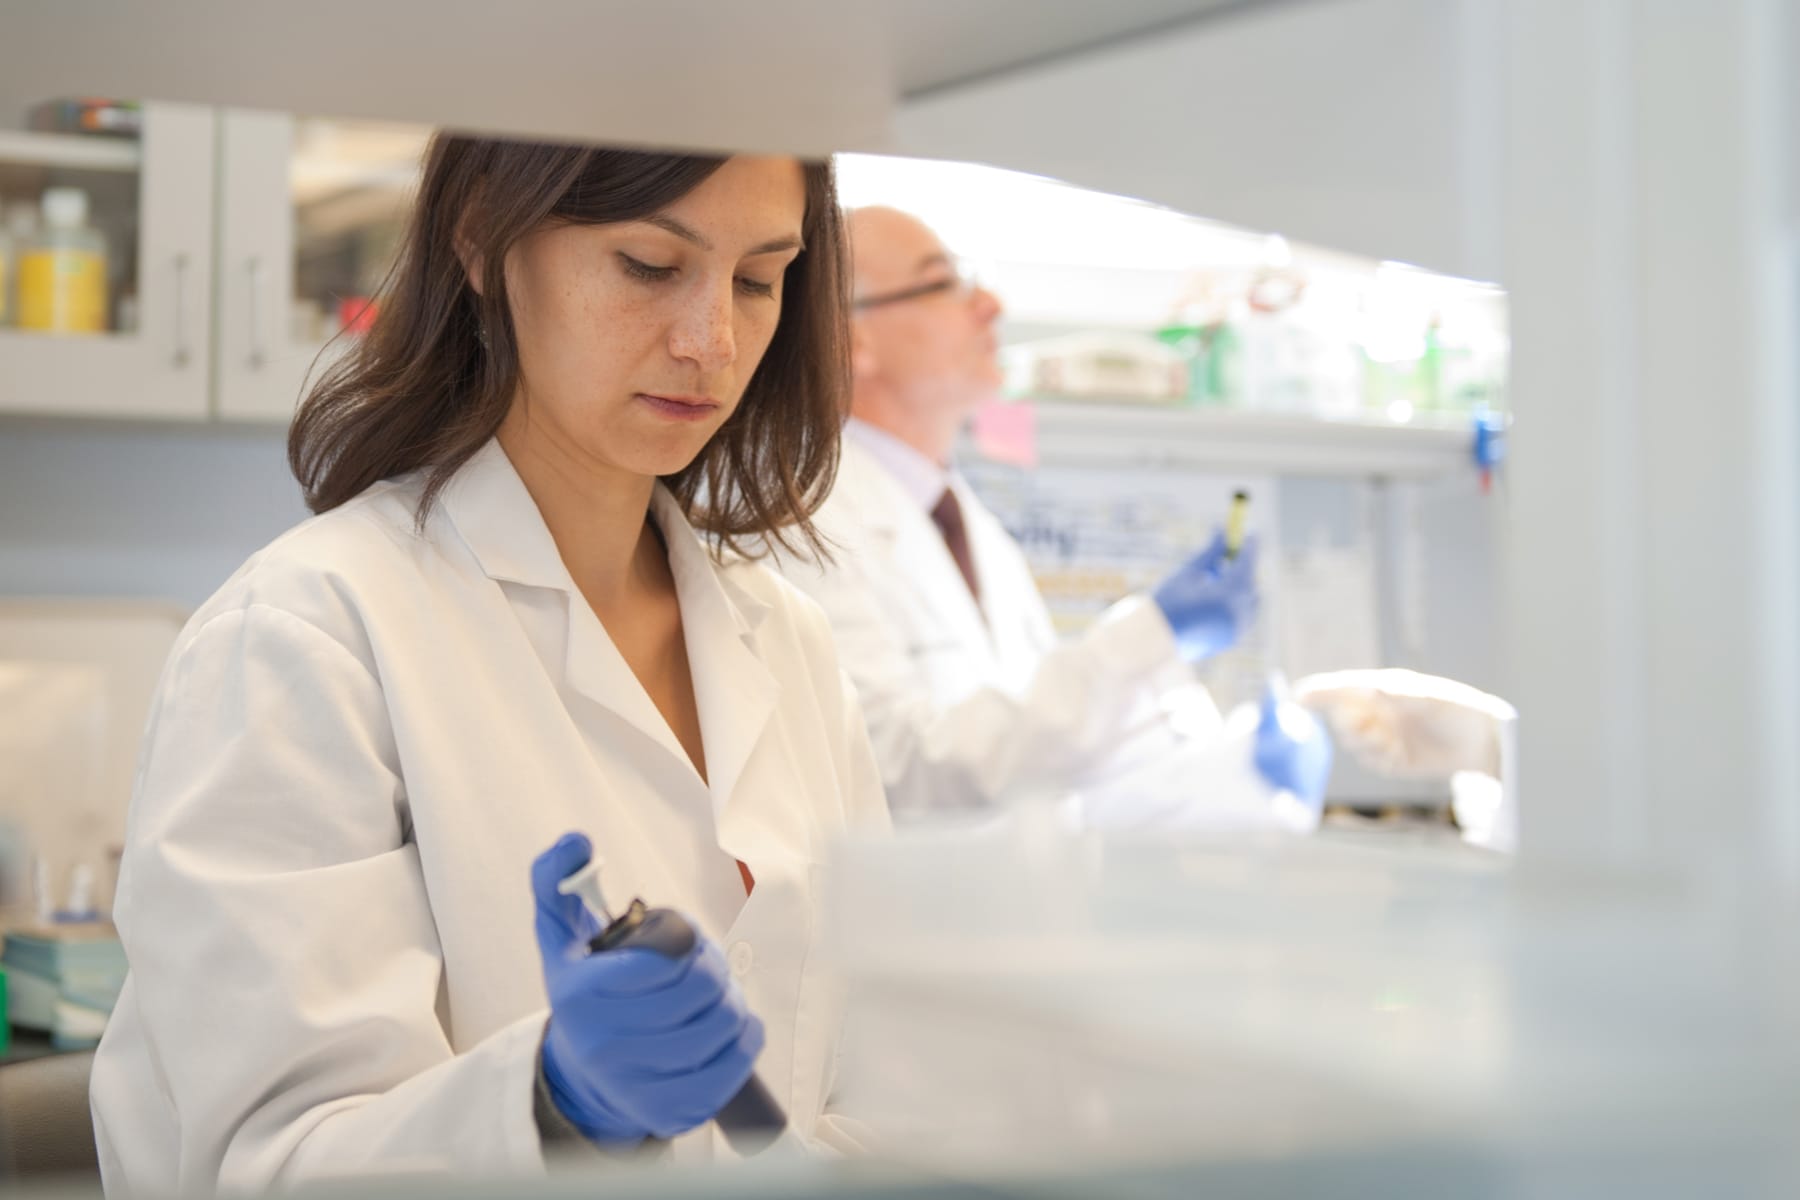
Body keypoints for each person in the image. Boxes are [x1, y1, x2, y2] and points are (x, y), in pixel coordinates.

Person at [88, 136, 889, 1193]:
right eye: (649, 265)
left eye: (757, 280)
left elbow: (884, 1077)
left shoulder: (786, 644)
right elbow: (269, 1165)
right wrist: (559, 1105)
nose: (712, 341)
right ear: (482, 240)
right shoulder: (307, 636)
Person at [769, 206, 1330, 824]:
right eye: (944, 284)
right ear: (850, 339)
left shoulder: (972, 527)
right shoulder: (793, 518)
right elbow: (892, 769)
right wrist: (1149, 634)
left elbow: (1044, 773)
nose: (990, 305)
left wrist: (1239, 770)